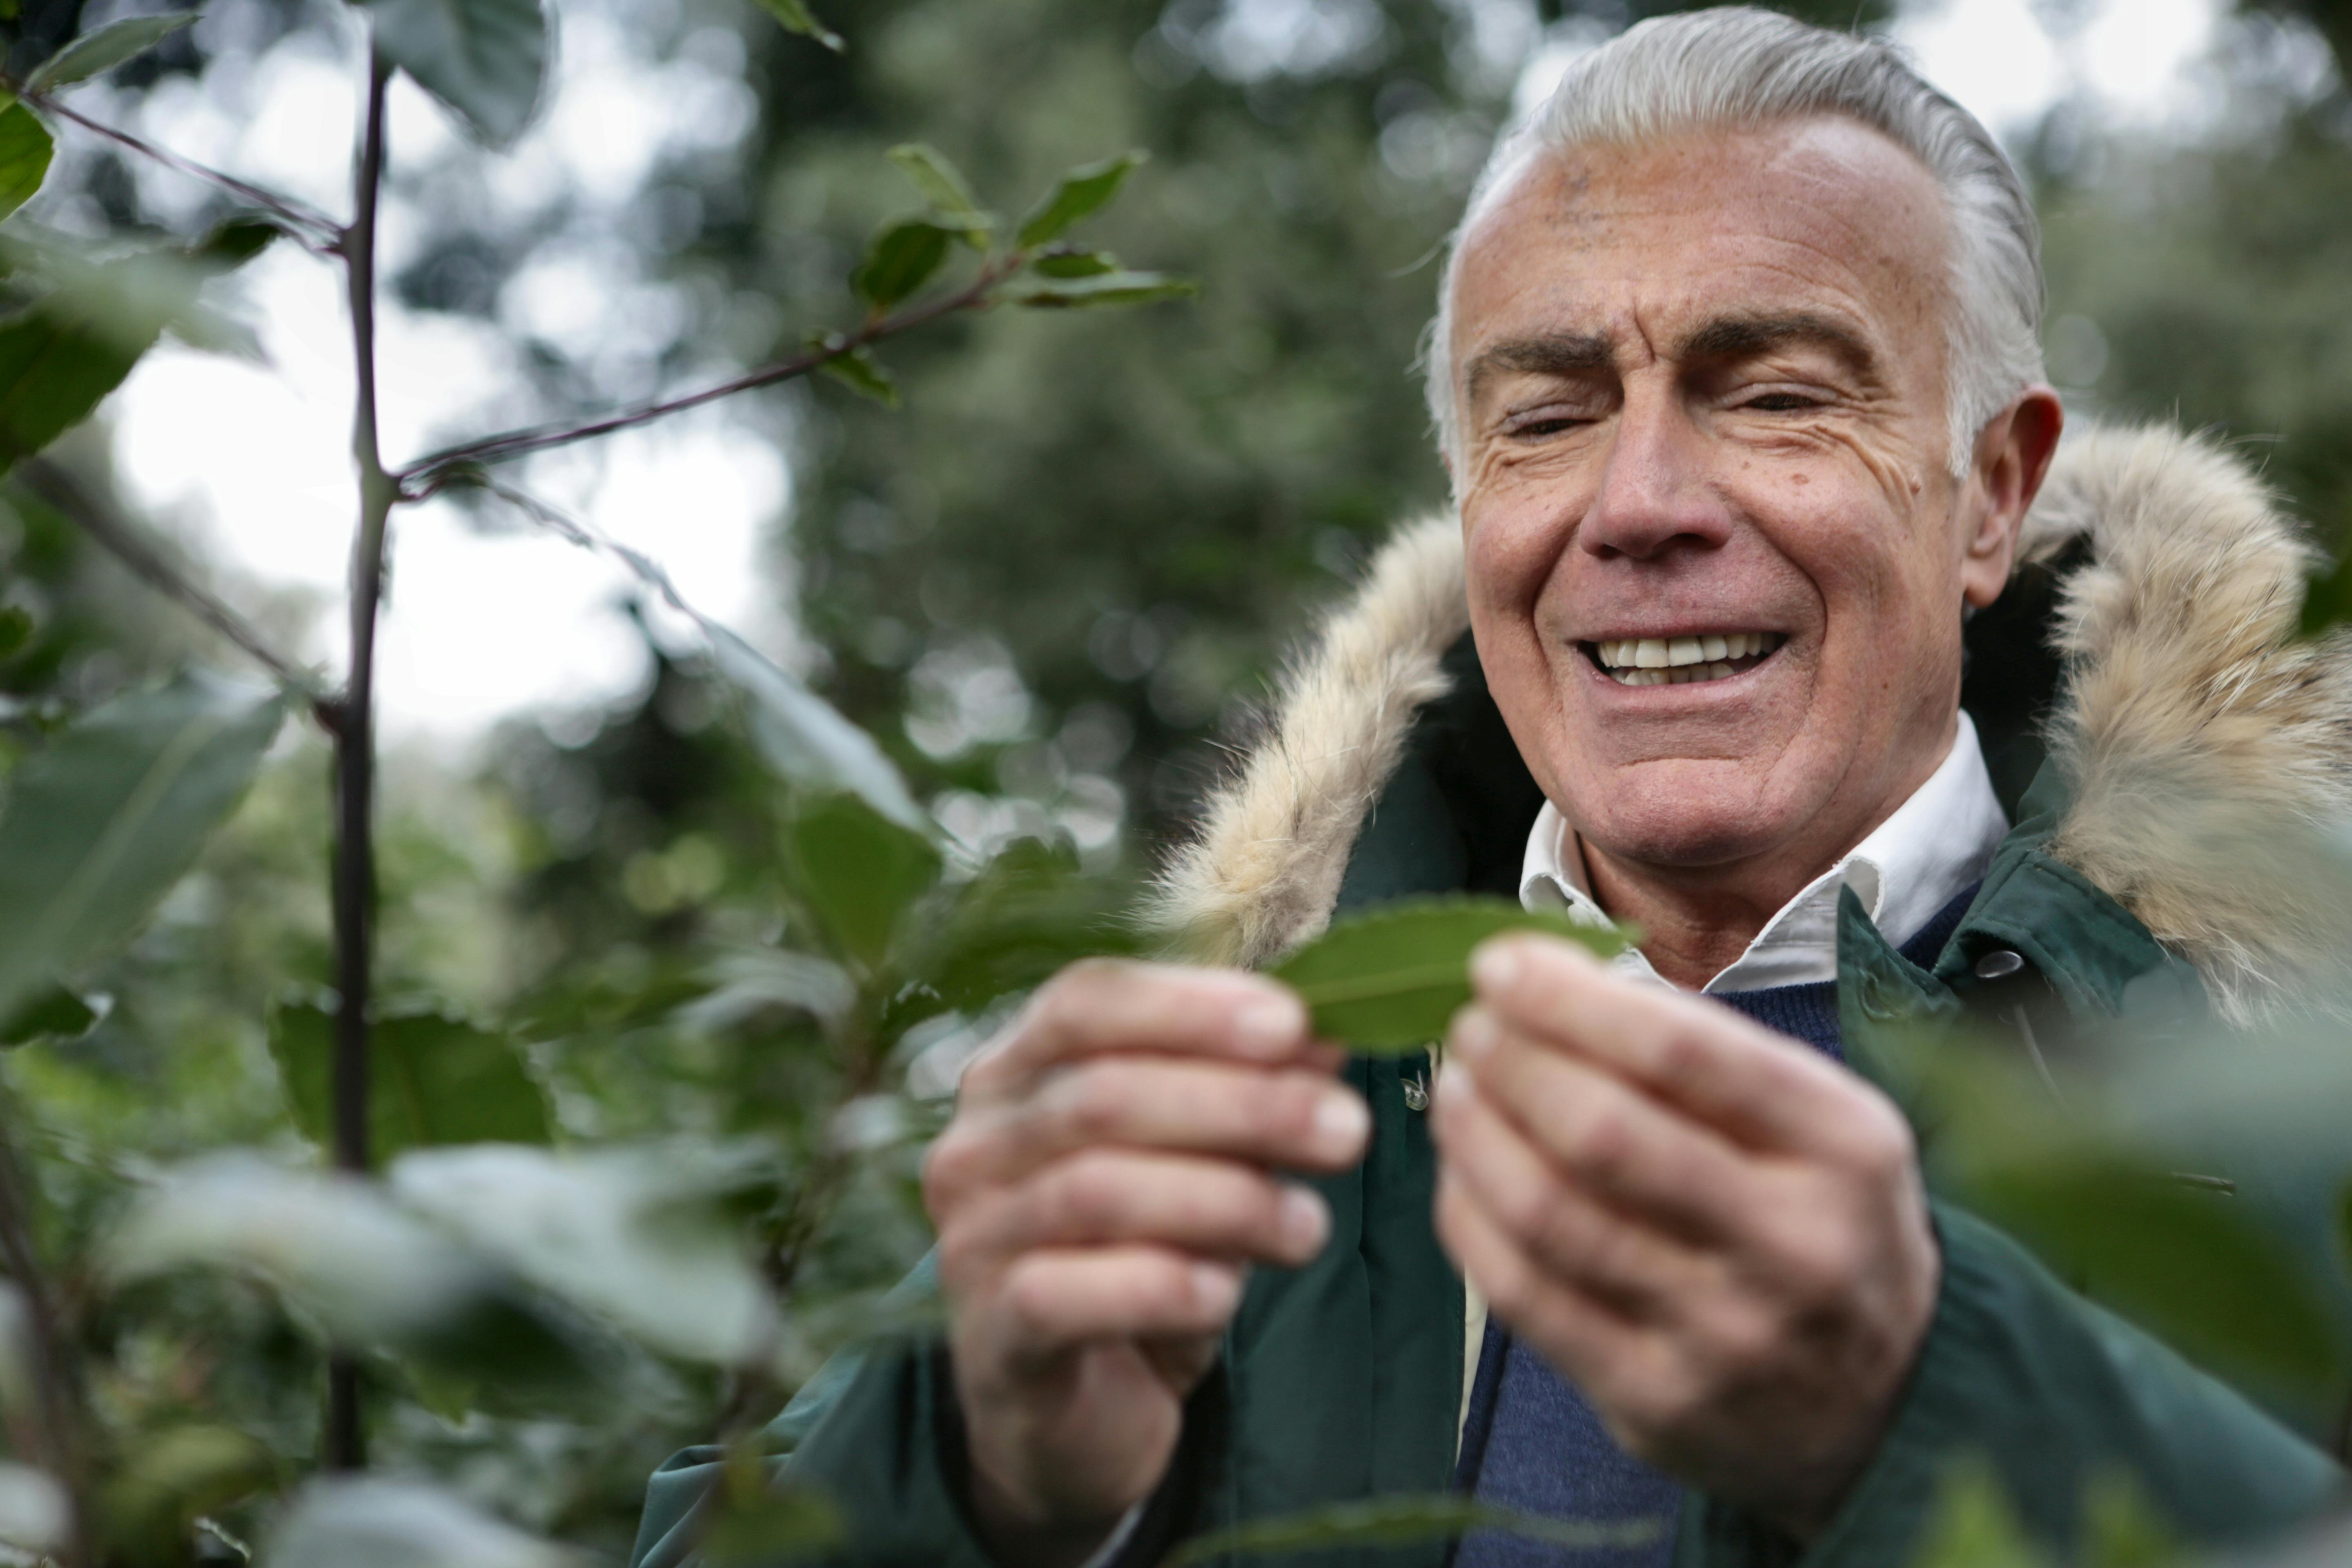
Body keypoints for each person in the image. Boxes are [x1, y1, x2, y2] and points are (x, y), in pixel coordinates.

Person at [633, 10, 2349, 1566]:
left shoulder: (2289, 1059)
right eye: (1545, 419)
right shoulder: (1259, 1064)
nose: (1642, 503)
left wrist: (1931, 1406)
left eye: (1771, 394)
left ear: (1990, 493)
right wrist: (982, 1480)